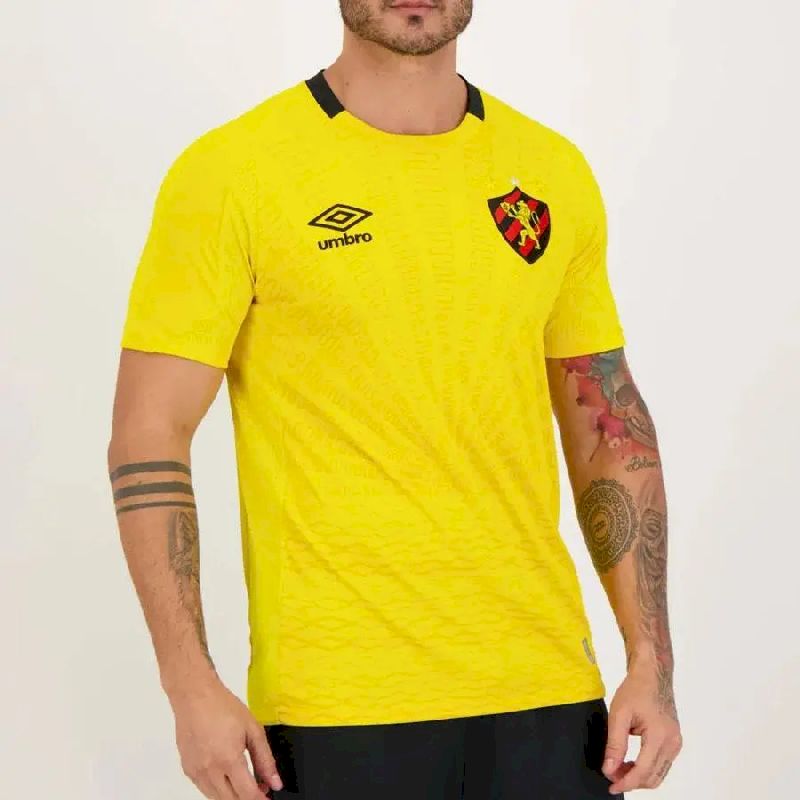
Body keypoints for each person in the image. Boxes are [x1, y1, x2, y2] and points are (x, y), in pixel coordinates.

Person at [107, 1, 683, 797]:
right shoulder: (232, 172)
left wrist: (652, 661)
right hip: (336, 711)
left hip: (550, 701)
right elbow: (149, 432)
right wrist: (188, 684)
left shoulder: (552, 172)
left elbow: (608, 431)